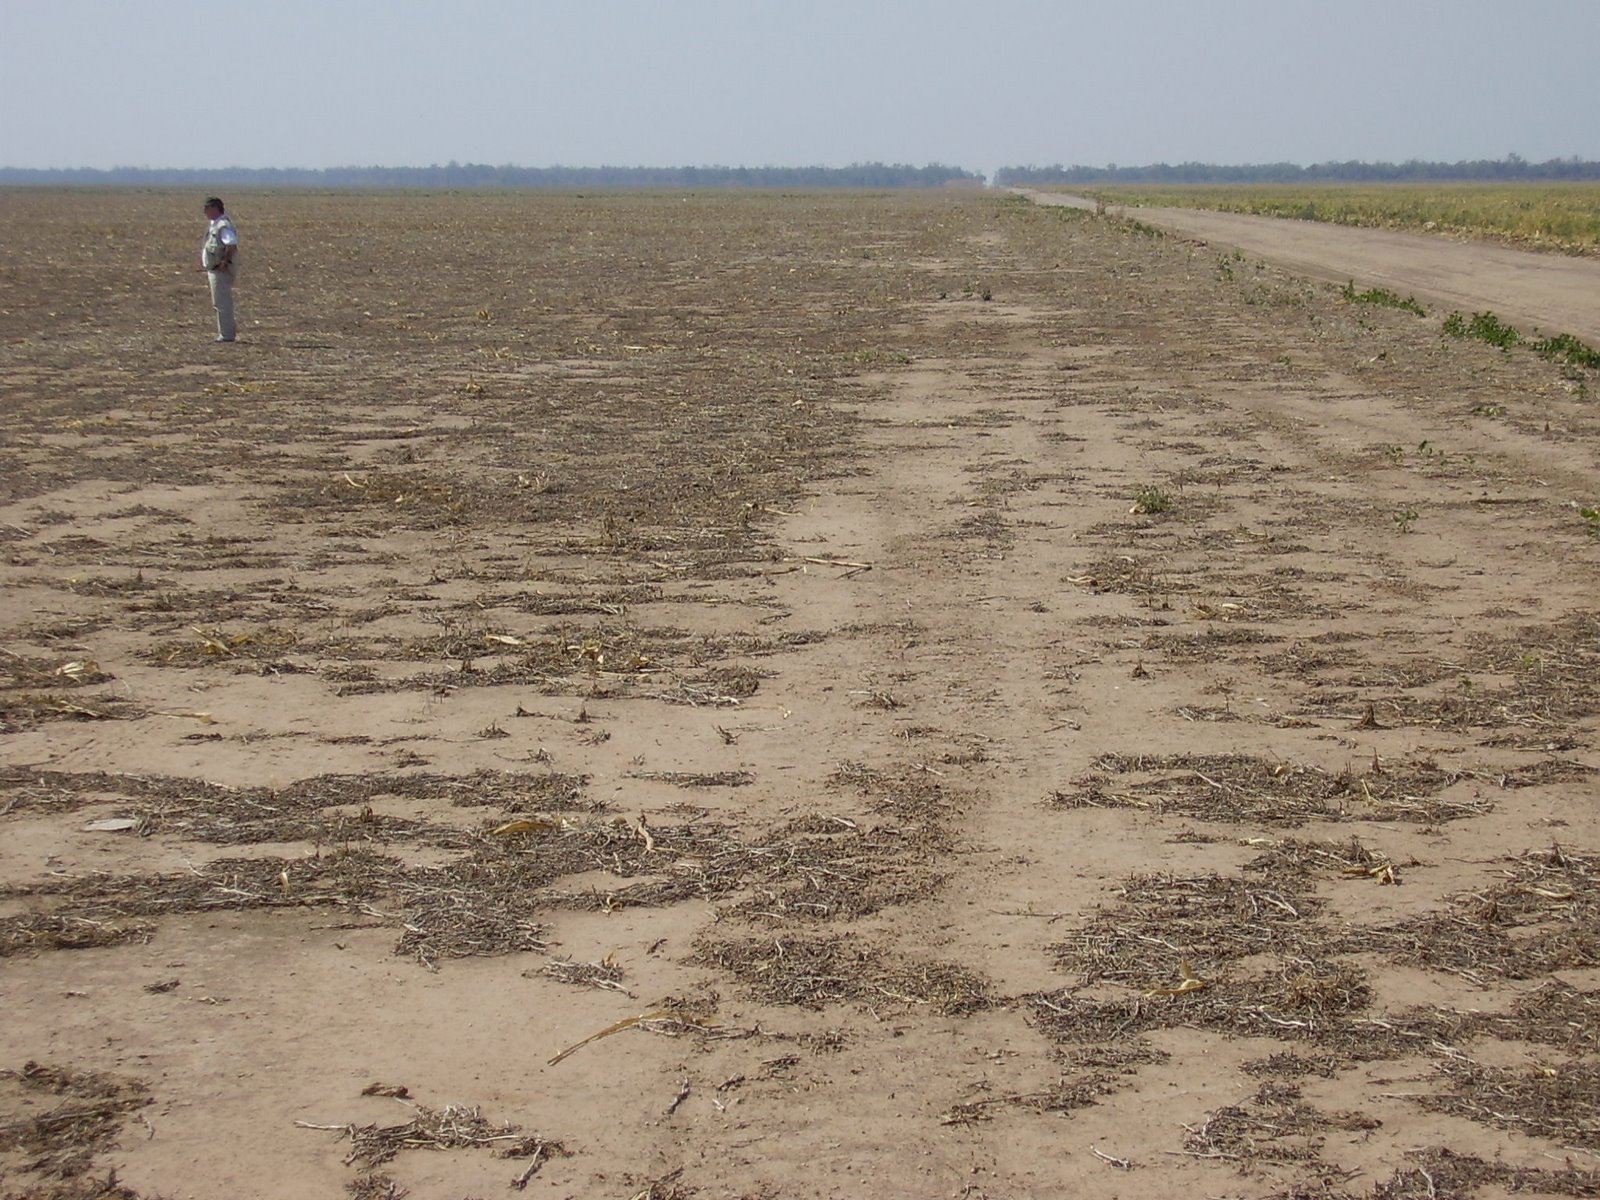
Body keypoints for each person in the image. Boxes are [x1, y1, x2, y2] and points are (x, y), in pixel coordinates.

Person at [200, 197, 240, 342]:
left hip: (220, 270)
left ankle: (226, 335)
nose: (205, 212)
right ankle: (224, 333)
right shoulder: (214, 225)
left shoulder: (223, 225)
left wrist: (224, 263)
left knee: (222, 303)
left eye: (207, 208)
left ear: (215, 208)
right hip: (214, 268)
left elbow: (231, 245)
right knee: (219, 302)